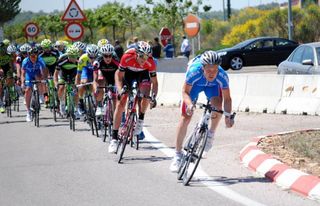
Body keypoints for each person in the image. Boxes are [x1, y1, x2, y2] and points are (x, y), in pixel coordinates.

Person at [169, 50, 234, 172]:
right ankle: (177, 155)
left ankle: (210, 134)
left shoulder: (222, 75)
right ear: (203, 67)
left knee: (217, 107)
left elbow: (227, 99)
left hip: (213, 87)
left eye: (215, 69)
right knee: (185, 117)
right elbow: (185, 92)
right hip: (195, 85)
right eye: (209, 70)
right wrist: (189, 105)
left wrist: (228, 116)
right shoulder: (194, 72)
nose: (212, 73)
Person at [108, 41, 158, 153]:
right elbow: (119, 77)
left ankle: (140, 120)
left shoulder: (150, 62)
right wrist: (120, 91)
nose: (143, 59)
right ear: (136, 53)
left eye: (146, 56)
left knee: (145, 95)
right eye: (141, 56)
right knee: (121, 103)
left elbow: (155, 82)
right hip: (127, 74)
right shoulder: (127, 57)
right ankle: (114, 139)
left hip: (143, 74)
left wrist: (153, 97)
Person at [21, 47, 46, 122]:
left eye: (36, 56)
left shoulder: (40, 60)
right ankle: (28, 112)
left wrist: (44, 78)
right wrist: (22, 83)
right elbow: (23, 73)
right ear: (28, 55)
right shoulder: (25, 61)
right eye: (32, 56)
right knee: (28, 89)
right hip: (29, 75)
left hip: (37, 74)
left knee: (40, 80)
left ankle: (41, 95)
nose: (34, 58)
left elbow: (44, 70)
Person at [93, 44, 119, 116]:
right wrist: (96, 89)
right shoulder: (97, 62)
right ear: (102, 55)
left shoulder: (116, 60)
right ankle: (99, 106)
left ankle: (115, 115)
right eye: (105, 56)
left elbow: (121, 76)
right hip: (103, 75)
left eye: (110, 55)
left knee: (115, 96)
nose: (108, 58)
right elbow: (94, 80)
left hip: (114, 76)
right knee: (100, 82)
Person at [54, 46, 80, 118]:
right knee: (61, 87)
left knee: (76, 91)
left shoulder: (79, 60)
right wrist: (56, 83)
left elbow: (80, 73)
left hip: (74, 74)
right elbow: (56, 74)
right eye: (71, 56)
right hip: (63, 73)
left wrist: (78, 83)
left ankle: (76, 109)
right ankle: (62, 104)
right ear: (68, 55)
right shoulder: (62, 60)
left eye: (75, 56)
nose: (73, 58)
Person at [76, 44, 99, 115]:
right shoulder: (82, 58)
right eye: (91, 57)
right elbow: (79, 74)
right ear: (87, 54)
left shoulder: (99, 58)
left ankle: (97, 103)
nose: (93, 59)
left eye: (94, 57)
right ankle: (81, 101)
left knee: (96, 84)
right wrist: (77, 85)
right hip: (85, 70)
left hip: (95, 70)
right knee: (83, 82)